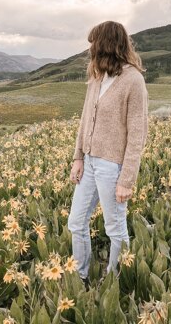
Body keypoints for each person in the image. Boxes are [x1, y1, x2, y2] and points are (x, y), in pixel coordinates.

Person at [68, 20, 149, 289]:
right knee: (76, 223)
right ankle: (80, 276)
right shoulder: (97, 76)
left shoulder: (133, 80)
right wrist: (78, 157)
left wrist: (127, 179)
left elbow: (137, 134)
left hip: (112, 167)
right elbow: (84, 120)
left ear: (106, 45)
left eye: (94, 43)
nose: (90, 49)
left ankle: (116, 281)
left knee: (115, 229)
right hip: (89, 162)